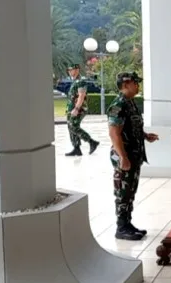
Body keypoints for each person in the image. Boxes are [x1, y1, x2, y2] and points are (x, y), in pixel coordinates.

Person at [107, 72, 159, 240]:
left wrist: (145, 135)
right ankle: (121, 227)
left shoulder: (130, 103)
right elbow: (114, 133)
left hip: (134, 155)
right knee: (122, 191)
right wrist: (123, 157)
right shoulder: (118, 105)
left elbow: (132, 126)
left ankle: (128, 223)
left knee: (130, 191)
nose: (138, 85)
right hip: (125, 155)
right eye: (135, 83)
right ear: (126, 84)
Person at [64, 63, 100, 156]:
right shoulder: (75, 81)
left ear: (77, 70)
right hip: (72, 108)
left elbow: (81, 96)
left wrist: (76, 108)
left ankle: (92, 142)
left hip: (79, 109)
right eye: (69, 70)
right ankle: (76, 148)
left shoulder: (81, 81)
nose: (69, 72)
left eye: (71, 70)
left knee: (73, 126)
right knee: (70, 127)